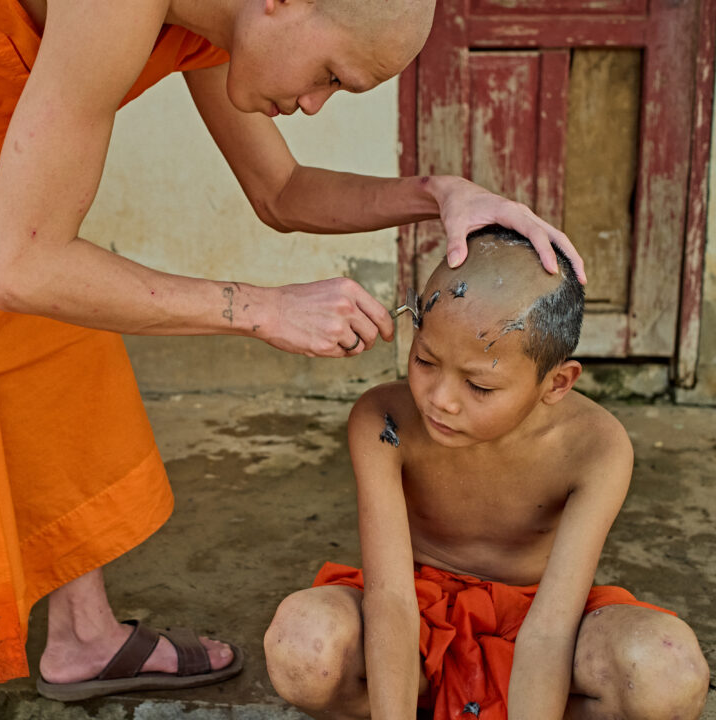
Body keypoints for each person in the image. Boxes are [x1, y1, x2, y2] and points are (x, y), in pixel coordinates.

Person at [0, 0, 587, 717]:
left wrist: (437, 193)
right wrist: (259, 309)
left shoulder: (217, 22)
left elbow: (282, 193)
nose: (315, 102)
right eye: (331, 74)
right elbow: (22, 267)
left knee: (60, 372)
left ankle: (84, 637)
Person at [263, 226, 710, 720]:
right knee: (300, 645)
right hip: (415, 625)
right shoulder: (382, 422)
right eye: (425, 360)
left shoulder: (596, 447)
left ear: (557, 383)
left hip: (536, 624)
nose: (440, 400)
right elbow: (390, 601)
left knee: (668, 676)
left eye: (479, 386)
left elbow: (552, 628)